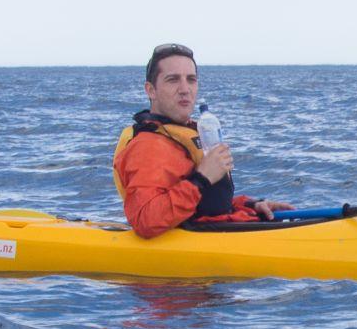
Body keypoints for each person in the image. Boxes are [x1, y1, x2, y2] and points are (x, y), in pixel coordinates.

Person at [112, 43, 291, 239]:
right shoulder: (147, 146)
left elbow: (203, 205)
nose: (185, 89)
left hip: (215, 230)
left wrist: (250, 205)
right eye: (173, 80)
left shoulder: (187, 132)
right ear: (151, 90)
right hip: (193, 243)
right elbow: (146, 220)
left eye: (191, 80)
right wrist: (202, 178)